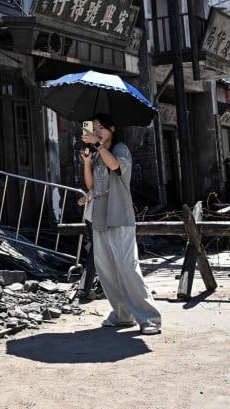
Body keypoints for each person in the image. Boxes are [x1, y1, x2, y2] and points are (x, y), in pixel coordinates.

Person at [80, 112, 161, 335]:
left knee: (127, 268)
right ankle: (122, 315)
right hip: (100, 218)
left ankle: (149, 318)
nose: (97, 132)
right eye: (93, 129)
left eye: (101, 129)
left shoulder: (120, 149)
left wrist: (98, 145)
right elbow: (90, 184)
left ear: (112, 129)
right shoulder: (97, 154)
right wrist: (87, 162)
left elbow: (115, 167)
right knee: (107, 270)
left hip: (119, 217)